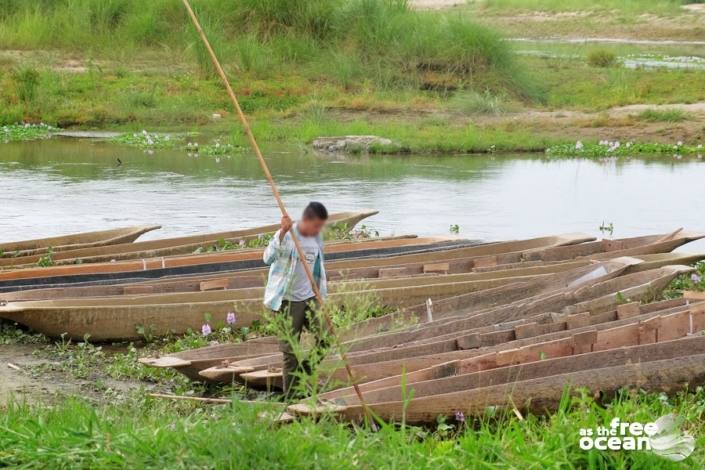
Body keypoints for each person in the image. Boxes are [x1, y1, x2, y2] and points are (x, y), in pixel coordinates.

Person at [263, 201, 329, 396]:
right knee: (290, 352)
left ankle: (302, 373)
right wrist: (282, 232)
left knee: (327, 338)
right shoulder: (289, 235)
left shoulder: (316, 239)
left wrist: (321, 296)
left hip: (310, 298)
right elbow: (267, 258)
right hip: (287, 301)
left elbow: (318, 270)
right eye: (316, 225)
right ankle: (291, 397)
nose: (318, 230)